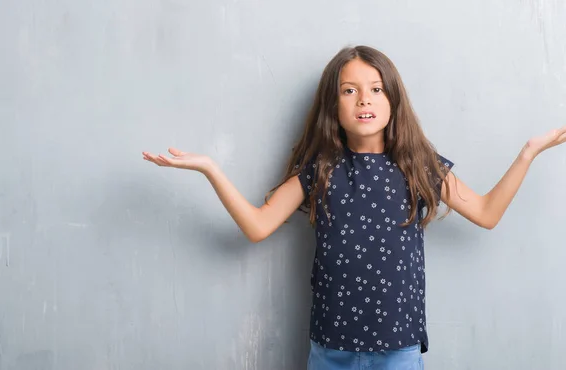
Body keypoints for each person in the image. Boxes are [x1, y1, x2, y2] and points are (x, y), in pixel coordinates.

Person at [142, 45, 566, 370]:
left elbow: (488, 213)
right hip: (331, 351)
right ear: (335, 106)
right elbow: (256, 226)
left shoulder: (419, 167)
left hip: (398, 350)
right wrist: (210, 169)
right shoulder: (318, 171)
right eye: (350, 90)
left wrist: (528, 153)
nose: (364, 99)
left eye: (376, 89)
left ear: (392, 101)